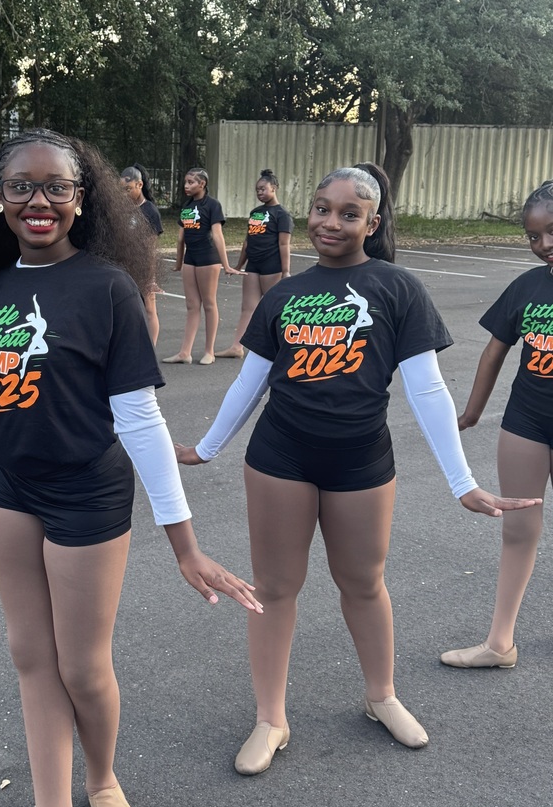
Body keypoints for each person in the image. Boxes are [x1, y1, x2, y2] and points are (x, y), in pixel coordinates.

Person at [0, 129, 261, 807]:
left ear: (81, 198)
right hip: (13, 492)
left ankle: (101, 779)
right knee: (30, 656)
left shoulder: (108, 288)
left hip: (87, 497)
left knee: (83, 668)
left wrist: (183, 545)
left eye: (56, 187)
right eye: (21, 186)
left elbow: (140, 419)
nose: (39, 201)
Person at [175, 162, 539, 768]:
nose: (330, 222)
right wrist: (208, 446)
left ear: (372, 222)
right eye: (322, 209)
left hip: (361, 461)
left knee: (364, 584)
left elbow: (426, 390)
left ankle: (382, 696)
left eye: (349, 214)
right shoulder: (287, 293)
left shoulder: (397, 289)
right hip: (280, 458)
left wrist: (462, 482)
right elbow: (250, 381)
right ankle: (271, 719)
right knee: (275, 588)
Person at [440, 179, 553, 670]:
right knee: (518, 529)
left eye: (552, 231)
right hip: (527, 421)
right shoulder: (527, 287)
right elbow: (494, 351)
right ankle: (499, 643)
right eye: (533, 236)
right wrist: (471, 412)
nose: (544, 244)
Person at [162, 167, 239, 366]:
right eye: (186, 182)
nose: (186, 186)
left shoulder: (213, 205)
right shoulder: (187, 206)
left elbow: (217, 235)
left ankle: (209, 351)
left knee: (209, 303)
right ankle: (184, 352)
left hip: (208, 258)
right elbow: (180, 238)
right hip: (191, 259)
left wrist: (226, 265)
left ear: (202, 184)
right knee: (191, 305)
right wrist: (179, 263)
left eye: (191, 182)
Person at [216, 169, 294, 359]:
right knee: (247, 307)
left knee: (273, 308)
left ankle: (285, 347)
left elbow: (284, 244)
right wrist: (239, 265)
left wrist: (286, 272)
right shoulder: (256, 212)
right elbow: (247, 241)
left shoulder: (282, 214)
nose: (259, 192)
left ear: (273, 188)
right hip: (254, 265)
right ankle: (237, 347)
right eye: (257, 190)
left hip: (272, 266)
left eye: (263, 189)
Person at [120, 164, 163, 345]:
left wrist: (151, 278)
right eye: (121, 190)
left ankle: (150, 348)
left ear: (139, 185)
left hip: (143, 268)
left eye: (128, 189)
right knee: (128, 308)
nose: (124, 194)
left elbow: (151, 248)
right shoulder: (122, 209)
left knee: (149, 309)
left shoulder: (150, 211)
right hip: (124, 266)